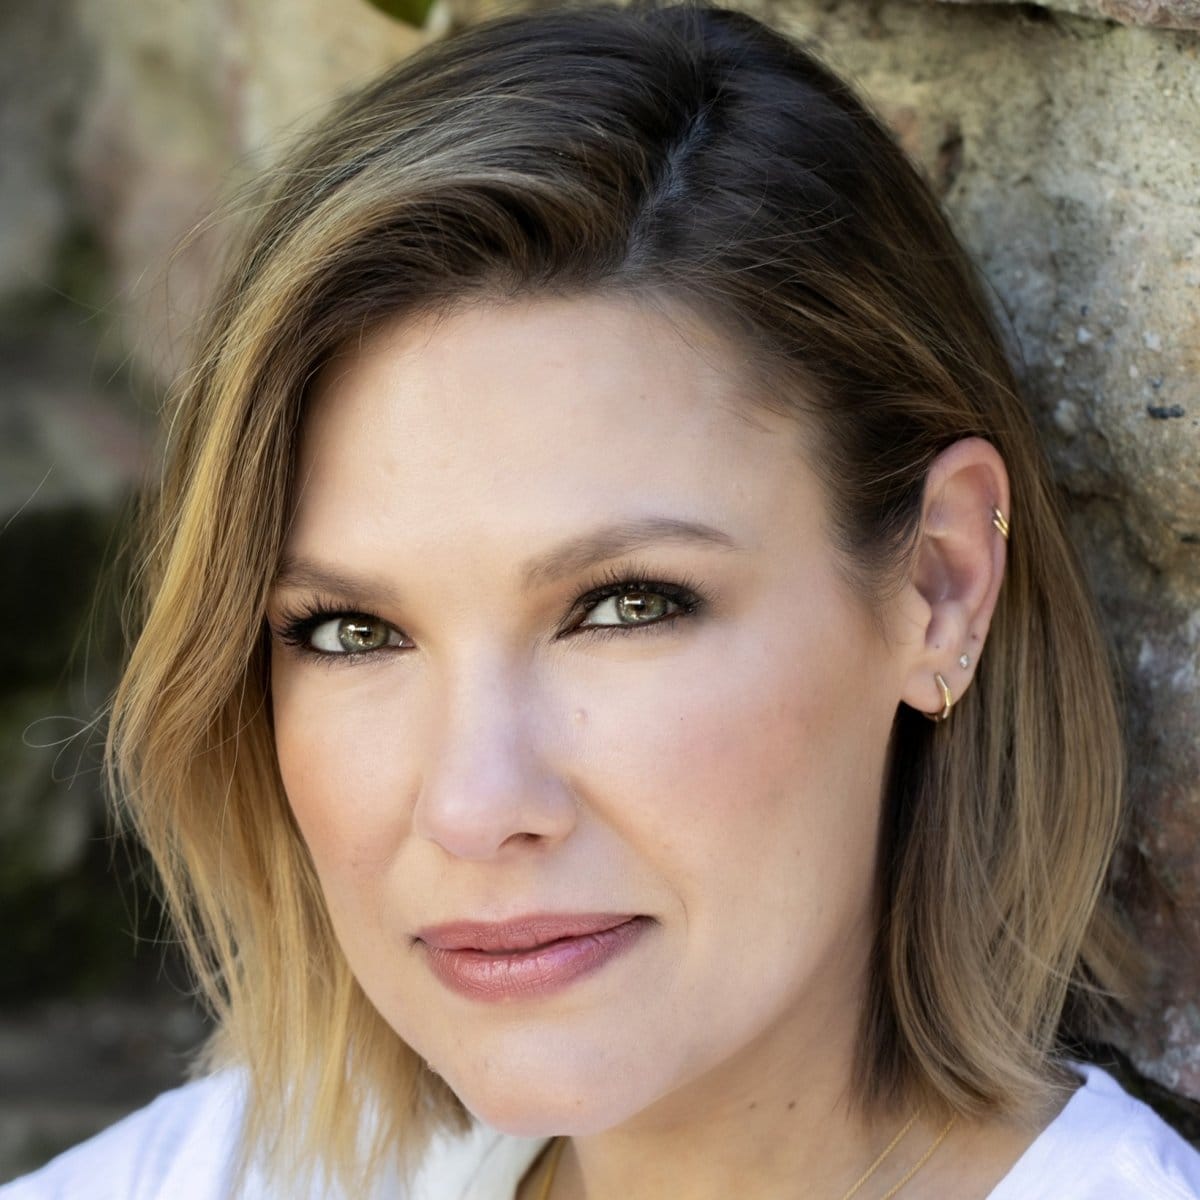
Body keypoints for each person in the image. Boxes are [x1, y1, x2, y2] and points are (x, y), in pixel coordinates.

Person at [5, 3, 1199, 1197]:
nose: (475, 808)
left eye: (626, 606)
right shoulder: (234, 1175)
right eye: (352, 632)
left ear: (940, 586)